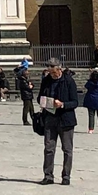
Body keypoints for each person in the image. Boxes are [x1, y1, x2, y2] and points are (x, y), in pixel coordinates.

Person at [38, 57, 78, 185]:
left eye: (54, 72)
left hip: (66, 120)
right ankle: (48, 175)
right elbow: (39, 97)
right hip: (50, 118)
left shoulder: (69, 81)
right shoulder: (46, 81)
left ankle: (66, 176)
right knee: (49, 148)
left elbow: (75, 102)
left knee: (67, 149)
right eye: (50, 73)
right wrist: (46, 103)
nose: (53, 75)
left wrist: (62, 104)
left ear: (59, 69)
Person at [83, 70, 98, 134]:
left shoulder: (89, 82)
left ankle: (91, 129)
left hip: (90, 99)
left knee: (91, 115)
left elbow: (86, 86)